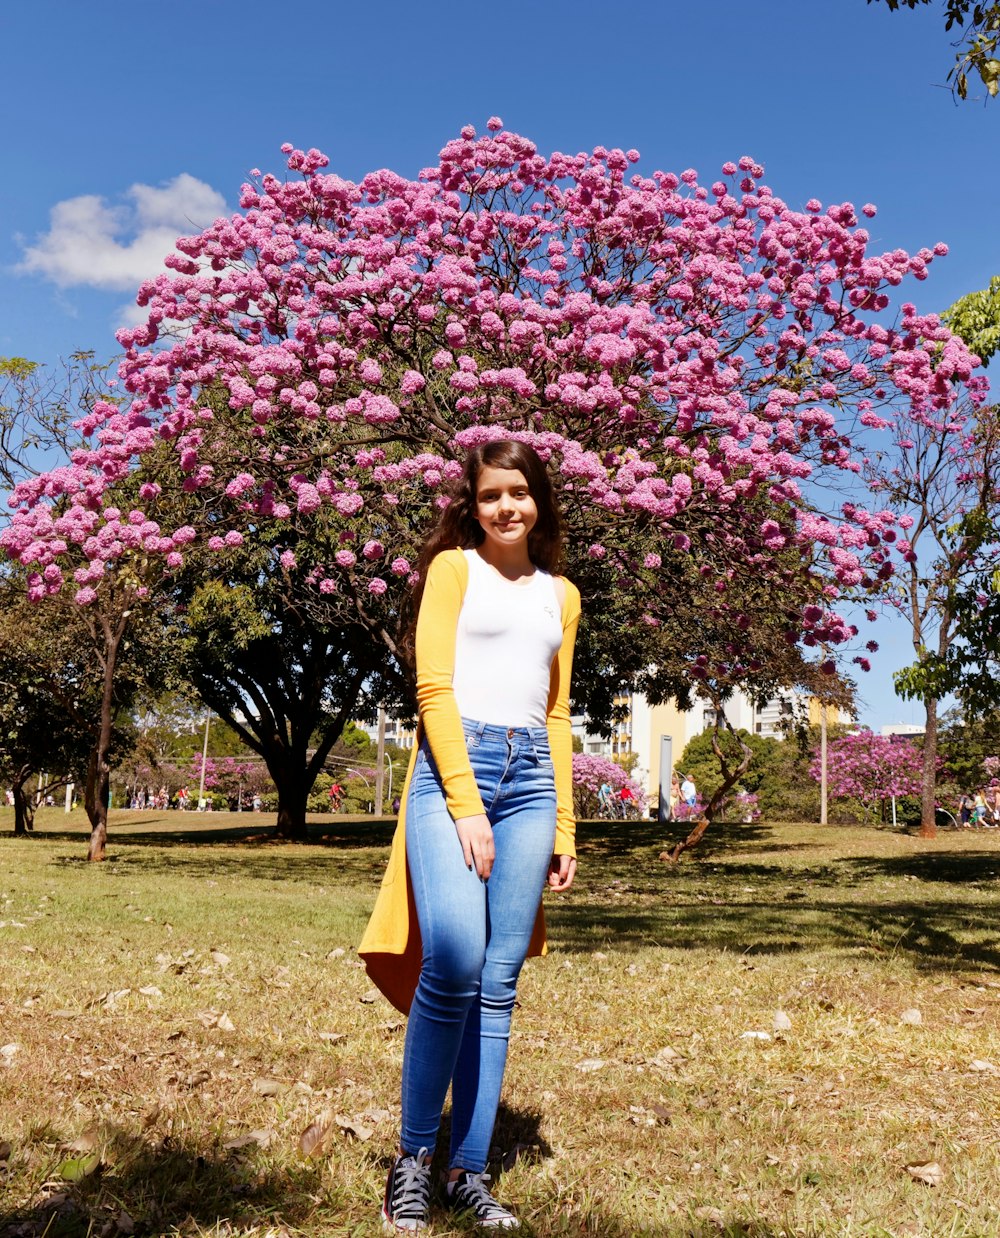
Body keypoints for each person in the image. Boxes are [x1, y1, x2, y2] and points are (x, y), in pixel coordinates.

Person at [360, 440, 580, 1232]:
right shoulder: (454, 571)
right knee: (451, 961)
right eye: (491, 495)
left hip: (531, 786)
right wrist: (464, 803)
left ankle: (469, 1169)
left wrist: (563, 824)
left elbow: (556, 712)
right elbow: (431, 687)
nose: (506, 507)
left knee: (499, 981)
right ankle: (413, 1160)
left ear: (541, 501)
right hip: (453, 776)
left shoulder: (563, 595)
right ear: (473, 504)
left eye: (519, 493)